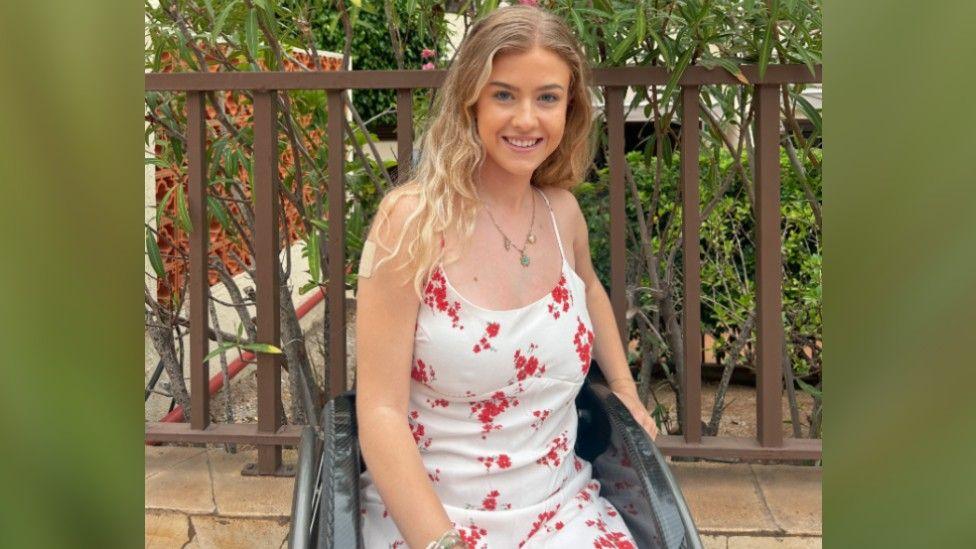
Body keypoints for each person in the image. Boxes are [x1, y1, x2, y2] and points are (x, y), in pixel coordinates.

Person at [355, 5, 658, 548]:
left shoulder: (562, 214)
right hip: (432, 519)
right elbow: (378, 410)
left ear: (570, 107)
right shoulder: (411, 224)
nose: (526, 119)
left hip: (563, 511)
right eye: (503, 95)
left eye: (547, 97)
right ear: (469, 100)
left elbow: (588, 288)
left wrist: (626, 389)